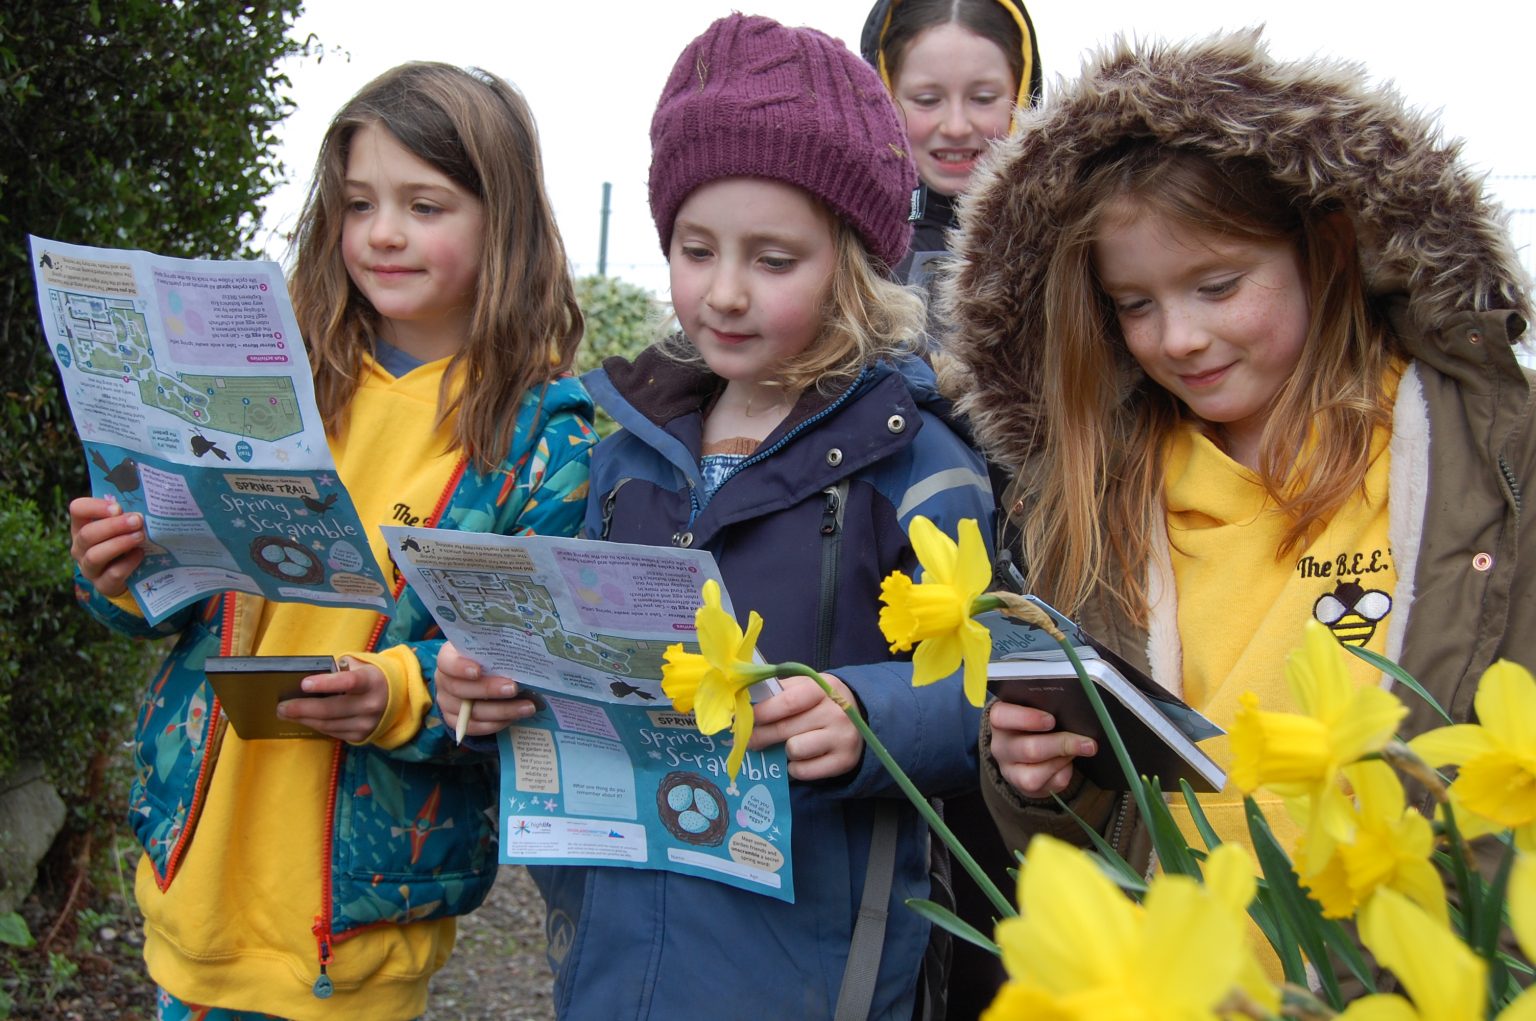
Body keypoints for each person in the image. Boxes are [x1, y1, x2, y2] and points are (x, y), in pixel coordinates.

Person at [435, 15, 995, 1021]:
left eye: (774, 260)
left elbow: (991, 692)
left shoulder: (915, 461)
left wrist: (869, 717)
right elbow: (577, 683)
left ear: (855, 267)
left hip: (811, 975)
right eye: (697, 250)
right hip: (613, 964)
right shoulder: (618, 455)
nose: (725, 293)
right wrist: (496, 682)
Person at [941, 31, 1533, 901]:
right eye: (1135, 305)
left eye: (1218, 286)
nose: (1177, 337)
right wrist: (1041, 781)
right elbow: (1089, 842)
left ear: (1324, 250)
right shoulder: (1098, 501)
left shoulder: (1487, 459)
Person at [67, 62, 596, 1020]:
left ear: (503, 220)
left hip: (347, 938)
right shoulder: (274, 379)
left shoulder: (540, 441)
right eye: (359, 203)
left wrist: (396, 693)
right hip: (195, 890)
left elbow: (528, 680)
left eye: (424, 204)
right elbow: (175, 607)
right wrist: (120, 569)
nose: (383, 232)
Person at [860, 0, 1042, 286]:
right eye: (927, 100)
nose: (956, 127)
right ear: (884, 98)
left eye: (982, 98)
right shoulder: (846, 250)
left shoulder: (1072, 239)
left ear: (1022, 95)